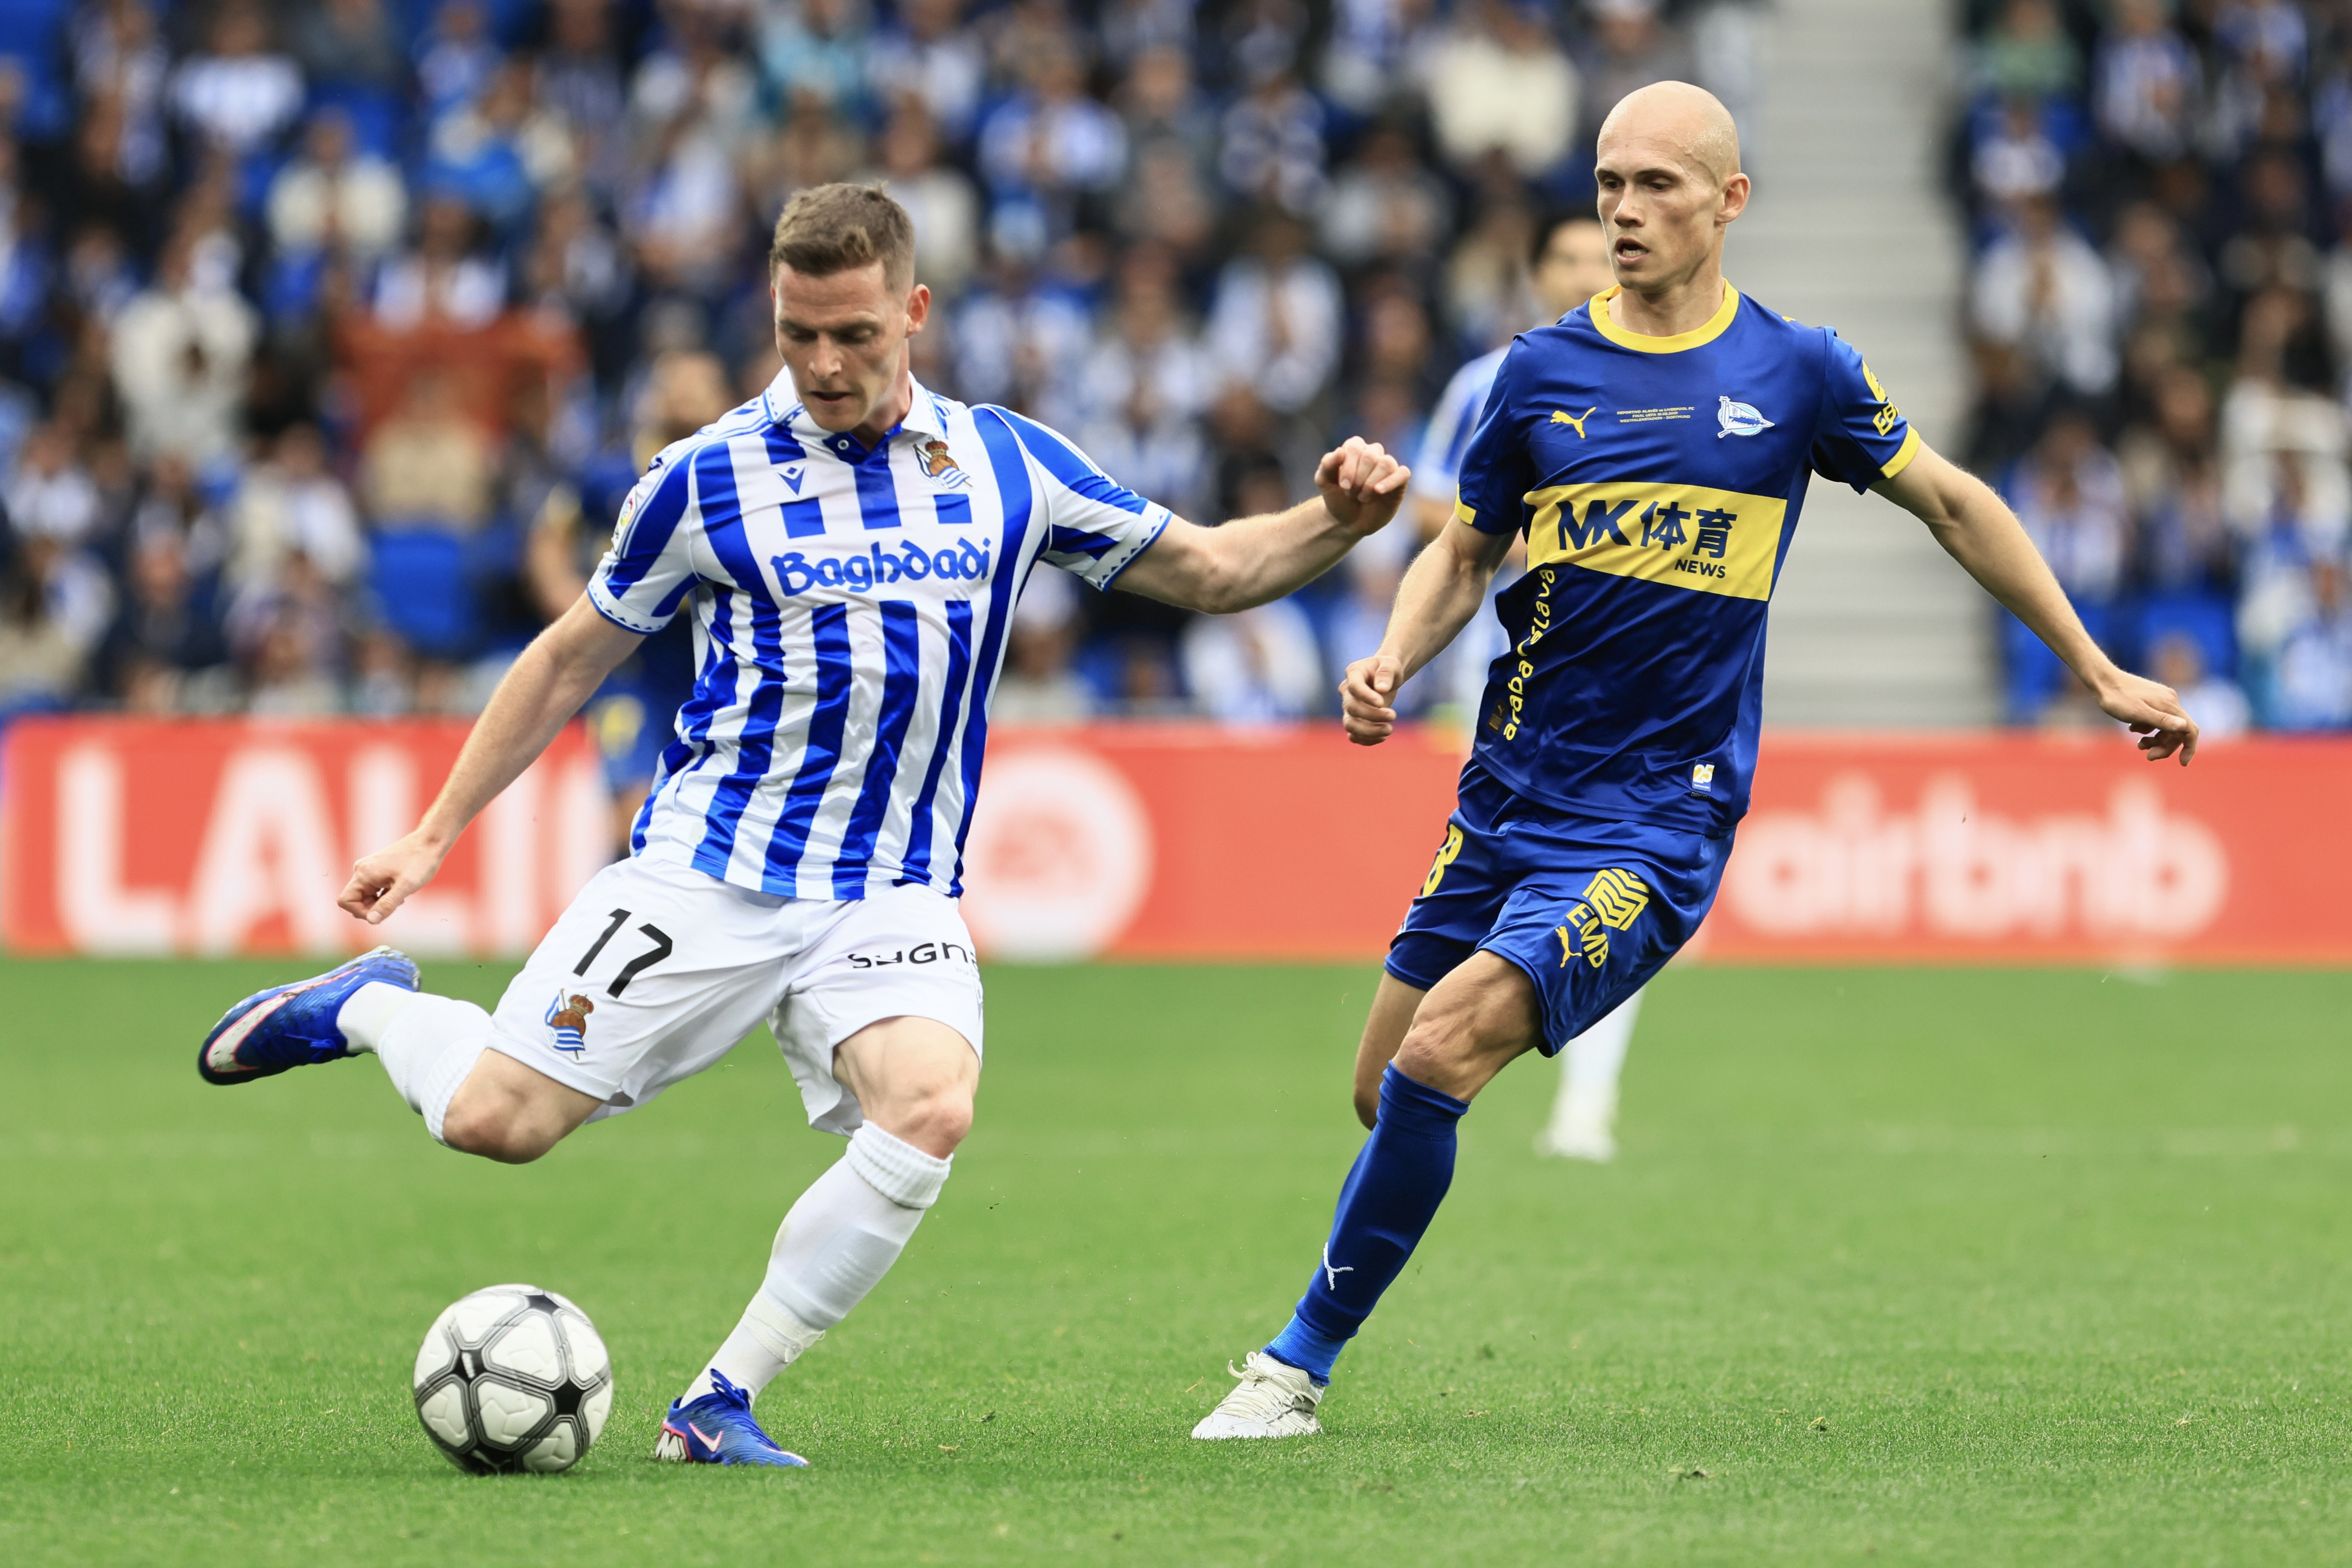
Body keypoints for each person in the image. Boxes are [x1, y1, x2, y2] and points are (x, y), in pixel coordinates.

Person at [191, 183, 1409, 1468]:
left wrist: (1338, 520)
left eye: (855, 335)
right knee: (498, 1123)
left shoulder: (1006, 464)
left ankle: (717, 1403)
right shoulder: (702, 478)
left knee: (929, 1108)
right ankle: (371, 1008)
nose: (824, 364)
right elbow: (565, 660)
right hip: (709, 870)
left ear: (915, 312)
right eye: (798, 334)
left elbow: (1217, 569)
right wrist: (432, 835)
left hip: (890, 888)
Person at [1189, 82, 2198, 1442]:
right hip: (1506, 795)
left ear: (1729, 202)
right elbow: (1465, 551)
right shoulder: (1538, 373)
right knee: (1383, 1092)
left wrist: (2095, 670)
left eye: (1657, 183)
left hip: (1658, 819)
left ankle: (1290, 1372)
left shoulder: (1799, 373)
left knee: (1439, 1052)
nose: (1624, 209)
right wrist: (1395, 656)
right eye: (1610, 182)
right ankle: (1332, 1312)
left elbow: (1957, 504)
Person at [1408, 210, 1638, 1162]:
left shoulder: (1658, 381)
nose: (1584, 273)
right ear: (1538, 274)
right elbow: (1430, 503)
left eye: (1598, 257)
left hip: (1618, 675)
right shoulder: (1488, 382)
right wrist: (1541, 543)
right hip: (1498, 672)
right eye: (1567, 258)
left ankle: (1588, 1099)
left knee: (1606, 887)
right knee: (1500, 879)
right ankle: (1450, 1067)